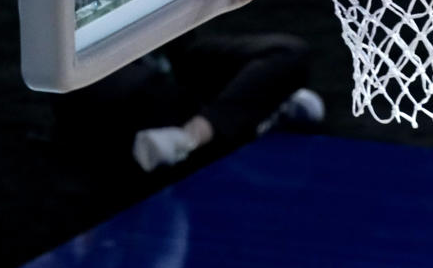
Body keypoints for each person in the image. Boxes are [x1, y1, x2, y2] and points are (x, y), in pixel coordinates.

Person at [51, 31, 325, 173]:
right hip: (112, 83)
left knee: (289, 52)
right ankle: (254, 110)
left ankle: (196, 134)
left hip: (168, 57)